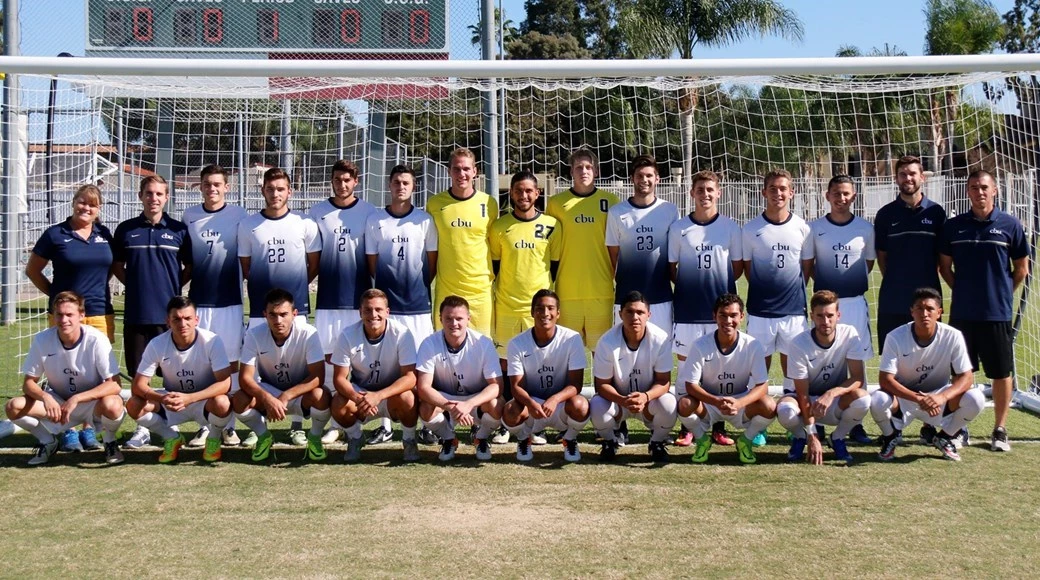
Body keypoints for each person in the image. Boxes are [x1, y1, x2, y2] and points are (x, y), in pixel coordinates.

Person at [939, 170, 1029, 452]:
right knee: (960, 372)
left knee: (1001, 373)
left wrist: (1000, 294)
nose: (979, 192)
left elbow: (1021, 270)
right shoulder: (954, 227)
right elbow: (944, 267)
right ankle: (958, 428)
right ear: (968, 192)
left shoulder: (1010, 225)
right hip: (963, 313)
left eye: (984, 187)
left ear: (995, 191)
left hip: (997, 314)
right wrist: (963, 291)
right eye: (974, 187)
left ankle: (1000, 429)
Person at [25, 184, 115, 452]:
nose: (86, 208)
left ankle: (90, 429)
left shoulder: (105, 234)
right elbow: (33, 270)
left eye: (92, 205)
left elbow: (107, 270)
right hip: (64, 315)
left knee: (96, 372)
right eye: (82, 202)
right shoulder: (55, 235)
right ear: (73, 202)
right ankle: (68, 429)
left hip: (100, 311)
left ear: (98, 210)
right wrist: (56, 298)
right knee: (63, 372)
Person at [238, 167, 320, 447]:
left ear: (290, 192)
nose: (275, 194)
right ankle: (257, 427)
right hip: (262, 311)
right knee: (258, 370)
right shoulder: (249, 225)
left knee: (297, 367)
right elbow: (247, 268)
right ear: (262, 191)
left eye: (281, 189)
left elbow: (313, 264)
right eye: (270, 189)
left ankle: (297, 425)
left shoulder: (304, 223)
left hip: (294, 309)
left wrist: (290, 295)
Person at [113, 175, 192, 450]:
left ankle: (173, 421)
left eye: (159, 194)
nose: (154, 198)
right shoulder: (125, 230)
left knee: (172, 375)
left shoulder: (179, 230)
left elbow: (189, 267)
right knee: (139, 376)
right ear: (140, 196)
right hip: (136, 314)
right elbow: (117, 265)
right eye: (149, 193)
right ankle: (142, 428)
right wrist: (135, 286)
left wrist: (171, 288)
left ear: (167, 197)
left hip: (169, 318)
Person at [667, 169, 743, 448]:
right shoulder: (678, 229)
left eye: (710, 190)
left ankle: (718, 427)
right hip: (688, 310)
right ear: (692, 193)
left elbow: (736, 268)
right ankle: (688, 426)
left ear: (719, 193)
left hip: (720, 314)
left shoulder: (731, 228)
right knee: (687, 370)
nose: (706, 195)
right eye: (700, 190)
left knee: (718, 370)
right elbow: (672, 268)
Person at [364, 164, 439, 447]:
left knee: (422, 369)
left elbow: (430, 266)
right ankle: (385, 426)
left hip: (418, 308)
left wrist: (415, 288)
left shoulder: (425, 221)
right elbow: (373, 266)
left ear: (414, 186)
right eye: (396, 182)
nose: (401, 187)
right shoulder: (375, 220)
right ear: (389, 185)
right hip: (387, 310)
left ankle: (425, 424)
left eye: (406, 182)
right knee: (387, 367)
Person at [309, 160, 382, 446]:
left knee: (372, 361)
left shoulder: (369, 213)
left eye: (347, 180)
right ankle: (336, 422)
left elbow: (374, 259)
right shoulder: (317, 213)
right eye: (337, 179)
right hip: (327, 301)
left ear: (357, 181)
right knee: (331, 362)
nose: (342, 184)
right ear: (331, 181)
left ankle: (384, 422)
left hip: (359, 301)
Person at [4, 291, 125, 466]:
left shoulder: (97, 339)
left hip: (92, 404)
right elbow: (28, 383)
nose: (64, 320)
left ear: (81, 316)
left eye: (70, 315)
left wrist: (77, 398)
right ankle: (48, 442)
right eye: (59, 314)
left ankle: (109, 441)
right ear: (53, 315)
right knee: (13, 407)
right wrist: (46, 397)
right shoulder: (42, 339)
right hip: (58, 404)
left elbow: (114, 385)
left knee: (113, 404)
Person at [800, 174, 875, 444]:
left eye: (846, 194)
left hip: (854, 303)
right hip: (824, 306)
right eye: (836, 194)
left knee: (858, 363)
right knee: (819, 361)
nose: (841, 199)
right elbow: (808, 267)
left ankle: (855, 424)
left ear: (853, 196)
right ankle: (815, 419)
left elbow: (867, 265)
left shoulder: (866, 228)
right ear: (827, 196)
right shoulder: (814, 228)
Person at [871, 288, 984, 462]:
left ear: (939, 312)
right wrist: (918, 398)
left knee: (976, 398)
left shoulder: (953, 336)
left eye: (930, 309)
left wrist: (940, 397)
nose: (924, 313)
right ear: (912, 312)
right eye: (919, 308)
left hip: (938, 401)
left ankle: (945, 437)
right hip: (904, 399)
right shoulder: (895, 337)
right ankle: (890, 436)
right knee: (877, 400)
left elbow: (966, 377)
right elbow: (885, 380)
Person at [741, 169, 810, 446]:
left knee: (795, 375)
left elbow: (806, 270)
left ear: (791, 192)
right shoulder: (750, 230)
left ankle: (797, 428)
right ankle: (759, 425)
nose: (778, 193)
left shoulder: (803, 228)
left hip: (794, 313)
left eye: (783, 188)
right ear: (764, 193)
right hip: (760, 312)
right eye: (772, 188)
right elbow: (747, 270)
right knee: (758, 373)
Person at [182, 164, 248, 448]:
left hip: (230, 302)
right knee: (204, 365)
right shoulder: (189, 216)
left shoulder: (239, 215)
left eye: (217, 184)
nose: (212, 189)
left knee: (231, 363)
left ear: (227, 187)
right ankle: (206, 425)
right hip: (200, 303)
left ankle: (229, 425)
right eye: (207, 184)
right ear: (200, 187)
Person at [126, 296, 233, 463]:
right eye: (176, 319)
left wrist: (190, 398)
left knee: (223, 403)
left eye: (187, 318)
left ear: (196, 320)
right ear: (168, 321)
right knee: (133, 404)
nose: (183, 324)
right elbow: (138, 385)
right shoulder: (157, 344)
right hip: (171, 400)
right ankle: (171, 438)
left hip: (203, 401)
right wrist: (162, 398)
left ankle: (213, 438)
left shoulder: (211, 340)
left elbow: (226, 382)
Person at [232, 288, 331, 462]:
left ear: (294, 314)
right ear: (265, 315)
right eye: (272, 315)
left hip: (299, 393)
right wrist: (268, 398)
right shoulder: (254, 334)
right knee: (240, 398)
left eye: (283, 314)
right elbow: (245, 378)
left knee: (321, 395)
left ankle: (314, 437)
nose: (278, 320)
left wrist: (286, 395)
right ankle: (263, 436)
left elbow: (318, 377)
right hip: (269, 389)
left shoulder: (309, 333)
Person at [677, 293, 776, 465]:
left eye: (733, 315)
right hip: (710, 403)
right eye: (723, 315)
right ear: (714, 316)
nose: (728, 321)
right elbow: (691, 385)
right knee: (684, 404)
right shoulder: (700, 345)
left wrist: (740, 403)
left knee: (769, 405)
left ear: (742, 317)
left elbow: (762, 386)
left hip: (739, 402)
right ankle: (702, 440)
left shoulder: (753, 345)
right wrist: (716, 401)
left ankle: (745, 440)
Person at [776, 291, 870, 465]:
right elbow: (802, 394)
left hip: (832, 403)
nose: (825, 321)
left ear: (838, 315)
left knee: (863, 399)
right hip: (806, 401)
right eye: (819, 316)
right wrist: (813, 434)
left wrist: (831, 394)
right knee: (785, 410)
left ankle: (838, 438)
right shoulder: (798, 344)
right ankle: (801, 437)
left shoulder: (849, 334)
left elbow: (858, 378)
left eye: (830, 315)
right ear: (812, 316)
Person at [330, 289, 420, 463]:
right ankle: (355, 438)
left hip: (390, 395)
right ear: (360, 312)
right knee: (338, 402)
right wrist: (358, 398)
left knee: (408, 397)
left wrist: (378, 396)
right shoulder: (347, 335)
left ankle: (409, 440)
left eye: (378, 310)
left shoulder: (402, 333)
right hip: (362, 395)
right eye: (368, 310)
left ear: (387, 312)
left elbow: (410, 377)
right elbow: (339, 379)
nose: (373, 315)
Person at [501, 290, 589, 462]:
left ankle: (569, 439)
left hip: (560, 404)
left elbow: (576, 385)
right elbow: (516, 386)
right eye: (540, 309)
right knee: (510, 411)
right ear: (532, 312)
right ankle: (523, 439)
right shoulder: (516, 343)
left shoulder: (572, 338)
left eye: (550, 308)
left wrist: (555, 399)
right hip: (532, 406)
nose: (545, 313)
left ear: (558, 313)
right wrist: (531, 403)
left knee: (581, 405)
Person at [546, 148, 619, 352]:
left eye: (588, 167)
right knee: (567, 353)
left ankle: (602, 386)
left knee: (603, 353)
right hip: (568, 291)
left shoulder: (611, 202)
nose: (584, 171)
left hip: (601, 290)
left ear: (596, 171)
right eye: (579, 167)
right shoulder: (556, 203)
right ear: (571, 172)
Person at [590, 291, 676, 463]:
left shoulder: (660, 339)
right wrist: (623, 400)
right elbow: (601, 385)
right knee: (597, 405)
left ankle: (656, 442)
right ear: (620, 314)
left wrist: (645, 397)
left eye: (640, 312)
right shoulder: (607, 342)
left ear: (649, 315)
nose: (635, 317)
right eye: (629, 312)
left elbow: (664, 381)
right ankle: (610, 441)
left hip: (648, 402)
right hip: (619, 401)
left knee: (669, 404)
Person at [415, 295, 503, 462]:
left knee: (496, 404)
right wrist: (452, 406)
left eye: (459, 318)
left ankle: (481, 437)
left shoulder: (483, 343)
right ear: (440, 319)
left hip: (475, 400)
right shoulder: (429, 343)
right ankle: (449, 439)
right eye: (448, 318)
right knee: (425, 407)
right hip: (446, 400)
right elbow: (423, 388)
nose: (454, 323)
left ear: (468, 319)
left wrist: (469, 404)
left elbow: (497, 386)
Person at [873, 155, 946, 352]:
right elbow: (882, 257)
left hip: (928, 299)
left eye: (912, 173)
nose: (908, 178)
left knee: (930, 355)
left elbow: (942, 257)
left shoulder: (936, 213)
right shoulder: (885, 215)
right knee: (894, 358)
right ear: (896, 179)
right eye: (903, 174)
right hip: (894, 298)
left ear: (922, 177)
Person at [489, 171, 562, 360]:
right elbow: (496, 268)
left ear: (537, 193)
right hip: (507, 307)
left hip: (539, 308)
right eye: (518, 191)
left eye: (529, 191)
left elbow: (554, 267)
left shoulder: (552, 225)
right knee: (505, 360)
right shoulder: (499, 227)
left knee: (540, 360)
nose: (524, 196)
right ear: (511, 193)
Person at [426, 147, 498, 337]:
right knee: (445, 349)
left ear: (475, 171)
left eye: (466, 169)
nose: (462, 174)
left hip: (480, 291)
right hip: (447, 290)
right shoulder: (434, 204)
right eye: (457, 169)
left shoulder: (489, 204)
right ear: (449, 171)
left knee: (481, 350)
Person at [606, 154, 679, 327]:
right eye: (639, 175)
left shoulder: (669, 210)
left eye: (649, 175)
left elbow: (674, 255)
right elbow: (613, 257)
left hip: (660, 296)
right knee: (625, 351)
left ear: (657, 179)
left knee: (661, 351)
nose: (644, 180)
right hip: (626, 298)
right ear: (632, 178)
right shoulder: (617, 212)